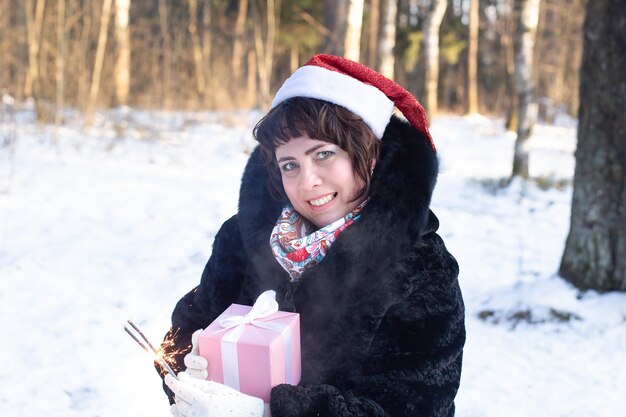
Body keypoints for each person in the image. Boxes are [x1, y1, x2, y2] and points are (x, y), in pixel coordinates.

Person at [157, 54, 465, 417]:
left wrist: (272, 412)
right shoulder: (241, 240)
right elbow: (186, 329)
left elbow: (417, 405)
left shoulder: (421, 266)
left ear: (368, 157)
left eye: (324, 155)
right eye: (290, 164)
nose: (307, 182)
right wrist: (187, 376)